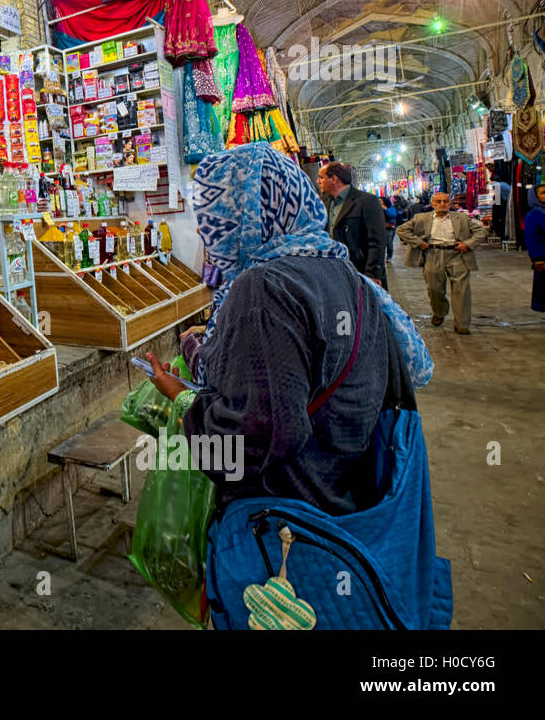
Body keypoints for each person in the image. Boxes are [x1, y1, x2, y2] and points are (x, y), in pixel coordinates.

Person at [147, 143, 431, 512]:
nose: (206, 230)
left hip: (287, 515)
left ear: (246, 214)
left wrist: (183, 402)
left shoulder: (264, 288)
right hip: (349, 495)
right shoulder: (342, 271)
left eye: (216, 212)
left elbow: (252, 443)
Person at [396, 191, 489, 334]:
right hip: (433, 254)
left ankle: (462, 324)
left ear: (450, 204)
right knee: (434, 289)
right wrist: (418, 242)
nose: (442, 205)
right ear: (432, 204)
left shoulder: (461, 218)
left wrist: (468, 244)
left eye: (445, 201)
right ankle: (439, 312)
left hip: (457, 254)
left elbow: (481, 232)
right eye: (438, 202)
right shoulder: (421, 218)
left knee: (461, 290)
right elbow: (402, 230)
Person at [318, 161, 388, 289]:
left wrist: (373, 273)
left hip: (359, 268)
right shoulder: (323, 202)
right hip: (331, 270)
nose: (318, 181)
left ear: (334, 179)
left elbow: (377, 240)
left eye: (321, 177)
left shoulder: (366, 201)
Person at [526, 184, 545, 313]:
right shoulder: (533, 216)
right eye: (543, 193)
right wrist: (537, 258)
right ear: (535, 197)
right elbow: (531, 238)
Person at [384, 197, 398, 263]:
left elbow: (393, 215)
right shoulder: (377, 207)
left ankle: (389, 256)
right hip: (381, 227)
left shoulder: (390, 208)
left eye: (381, 201)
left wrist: (386, 209)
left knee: (389, 242)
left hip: (389, 227)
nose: (379, 202)